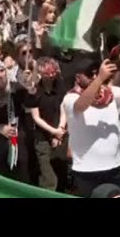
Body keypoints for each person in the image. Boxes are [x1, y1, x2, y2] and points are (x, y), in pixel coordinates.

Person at [62, 54, 120, 198]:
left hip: (116, 168)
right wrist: (100, 79)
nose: (93, 76)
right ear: (78, 78)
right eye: (89, 74)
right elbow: (81, 105)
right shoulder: (70, 98)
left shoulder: (109, 94)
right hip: (87, 172)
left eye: (95, 73)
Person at [30, 57, 68, 191]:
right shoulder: (35, 90)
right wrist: (53, 132)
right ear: (40, 74)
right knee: (49, 179)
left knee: (62, 175)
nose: (52, 76)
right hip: (43, 138)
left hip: (60, 134)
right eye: (48, 73)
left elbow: (64, 109)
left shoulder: (60, 85)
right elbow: (36, 117)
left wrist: (60, 130)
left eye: (53, 72)